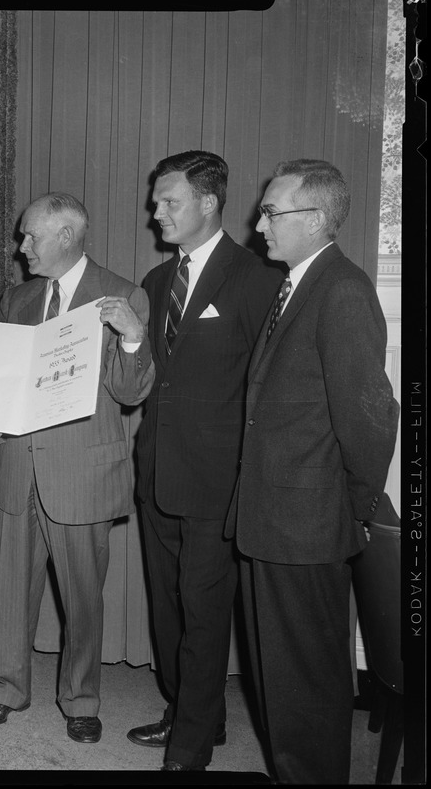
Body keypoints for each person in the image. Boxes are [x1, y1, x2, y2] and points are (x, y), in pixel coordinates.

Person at [228, 159, 399, 784]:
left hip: (306, 525)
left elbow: (372, 420)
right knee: (281, 679)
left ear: (317, 219)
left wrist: (347, 512)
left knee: (306, 687)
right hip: (274, 519)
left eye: (272, 211)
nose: (259, 222)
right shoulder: (299, 281)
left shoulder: (343, 289)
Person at [0, 192, 154, 744]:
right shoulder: (18, 297)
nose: (21, 246)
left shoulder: (123, 293)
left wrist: (132, 336)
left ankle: (80, 698)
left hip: (82, 474)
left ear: (68, 236)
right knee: (11, 589)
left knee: (82, 597)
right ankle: (7, 688)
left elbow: (130, 391)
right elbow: (4, 383)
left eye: (31, 236)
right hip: (19, 468)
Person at [128, 151, 284, 771]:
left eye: (169, 201)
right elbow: (146, 380)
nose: (156, 211)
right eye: (156, 200)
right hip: (157, 473)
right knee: (167, 605)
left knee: (203, 606)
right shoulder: (156, 284)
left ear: (210, 201)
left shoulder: (256, 279)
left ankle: (190, 744)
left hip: (219, 483)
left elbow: (265, 389)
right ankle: (194, 712)